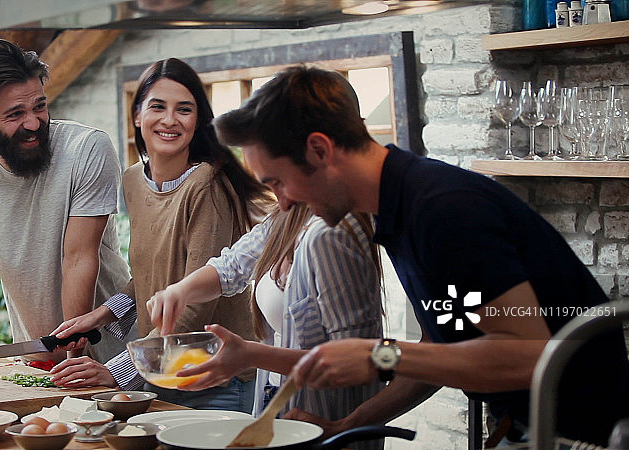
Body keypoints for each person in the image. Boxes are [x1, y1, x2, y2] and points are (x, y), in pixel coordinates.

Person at [204, 65, 628, 446]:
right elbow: (439, 348)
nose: (281, 203)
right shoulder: (400, 207)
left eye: (277, 181)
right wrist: (347, 424)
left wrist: (378, 355)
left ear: (319, 149)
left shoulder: (442, 211)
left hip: (583, 433)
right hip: (530, 423)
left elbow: (528, 356)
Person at [50, 58, 272, 413]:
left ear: (198, 121)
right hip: (161, 372)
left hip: (214, 380)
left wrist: (117, 372)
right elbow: (154, 272)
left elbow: (196, 302)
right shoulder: (134, 180)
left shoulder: (208, 184)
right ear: (137, 115)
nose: (170, 120)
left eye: (184, 109)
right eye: (158, 107)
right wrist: (103, 314)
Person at [0, 39, 131, 366]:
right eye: (15, 114)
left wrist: (74, 353)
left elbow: (77, 258)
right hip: (36, 358)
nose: (33, 123)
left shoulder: (87, 149)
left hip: (111, 354)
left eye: (39, 106)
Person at [147, 202, 386, 450]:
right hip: (274, 399)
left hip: (324, 416)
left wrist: (251, 355)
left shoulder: (330, 236)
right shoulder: (287, 218)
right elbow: (231, 266)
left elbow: (357, 361)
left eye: (274, 179)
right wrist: (180, 291)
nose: (276, 195)